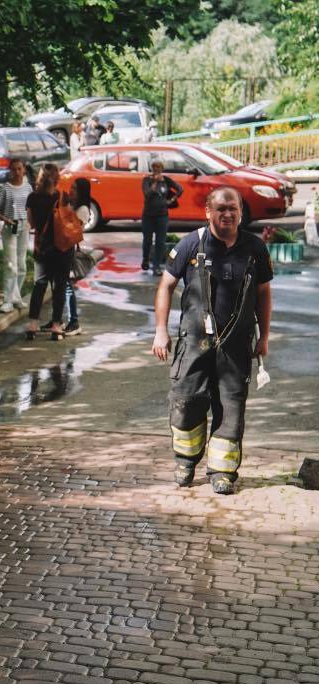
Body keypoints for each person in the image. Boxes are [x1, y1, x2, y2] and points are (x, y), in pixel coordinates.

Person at [152, 187, 273, 495]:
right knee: (187, 402)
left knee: (230, 407)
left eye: (233, 208)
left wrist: (265, 337)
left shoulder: (255, 248)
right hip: (194, 343)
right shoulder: (191, 245)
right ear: (208, 212)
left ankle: (222, 471)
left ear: (241, 213)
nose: (227, 214)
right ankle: (185, 461)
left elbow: (263, 293)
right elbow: (165, 285)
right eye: (220, 209)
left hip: (236, 346)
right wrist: (161, 331)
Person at [24, 164, 70, 341]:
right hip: (62, 248)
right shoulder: (62, 197)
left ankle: (33, 324)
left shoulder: (32, 198)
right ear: (57, 178)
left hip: (42, 247)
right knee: (59, 287)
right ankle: (56, 326)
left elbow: (32, 223)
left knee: (39, 285)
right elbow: (68, 221)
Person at [0, 158, 32, 313]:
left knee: (22, 264)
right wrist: (7, 220)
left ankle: (16, 296)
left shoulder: (28, 187)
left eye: (19, 169)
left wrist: (30, 223)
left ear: (24, 170)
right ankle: (7, 300)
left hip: (24, 226)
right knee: (10, 264)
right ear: (10, 171)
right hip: (11, 226)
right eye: (14, 169)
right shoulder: (4, 189)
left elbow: (30, 207)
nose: (17, 172)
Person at [142, 160, 183, 275]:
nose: (157, 170)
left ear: (162, 169)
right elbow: (147, 194)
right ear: (152, 169)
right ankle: (145, 259)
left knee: (160, 242)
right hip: (148, 215)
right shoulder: (147, 180)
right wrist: (155, 182)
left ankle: (156, 266)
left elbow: (180, 189)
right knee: (147, 240)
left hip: (162, 215)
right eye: (154, 168)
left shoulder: (166, 180)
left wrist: (172, 200)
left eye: (159, 168)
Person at [62, 178, 92, 336]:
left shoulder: (82, 209)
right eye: (71, 187)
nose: (71, 190)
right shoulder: (71, 206)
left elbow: (75, 230)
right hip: (62, 248)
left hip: (69, 249)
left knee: (67, 286)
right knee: (61, 285)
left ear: (81, 191)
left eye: (75, 188)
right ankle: (58, 320)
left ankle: (74, 321)